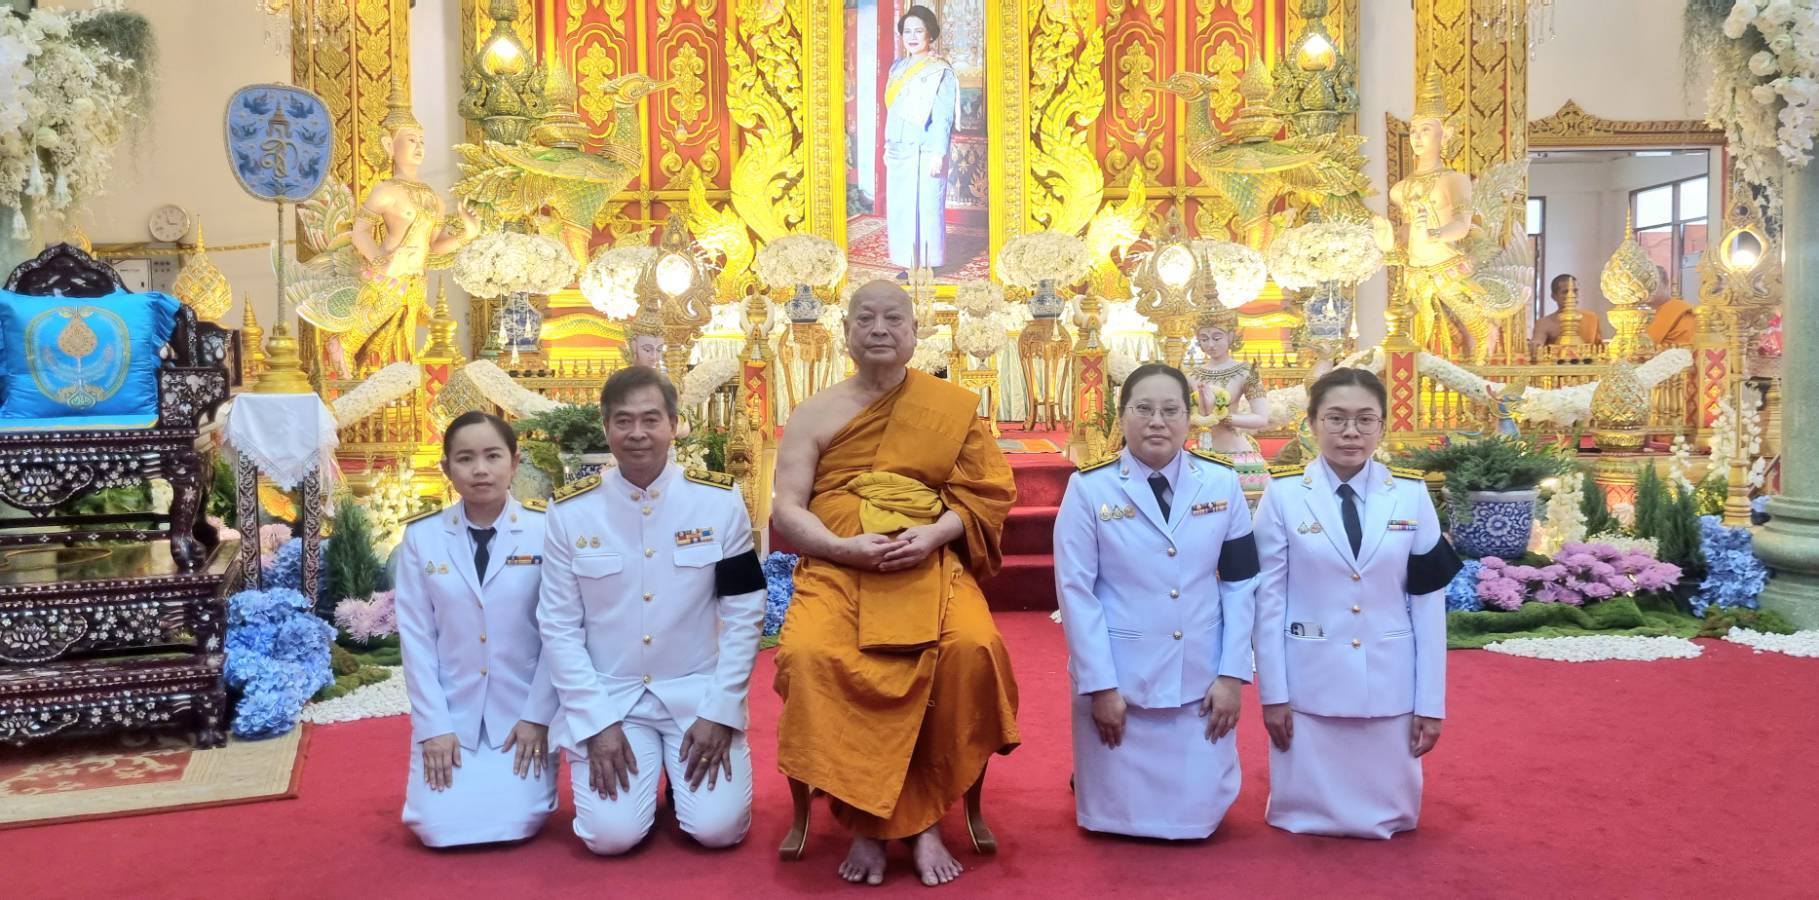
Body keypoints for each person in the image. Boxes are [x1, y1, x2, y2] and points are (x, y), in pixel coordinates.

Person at [772, 279, 1020, 887]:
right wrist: (840, 548)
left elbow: (989, 494)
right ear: (846, 331)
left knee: (971, 648)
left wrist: (937, 534)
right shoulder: (815, 412)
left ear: (915, 332)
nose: (879, 329)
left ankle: (922, 814)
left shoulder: (951, 405)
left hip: (928, 563)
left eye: (893, 319)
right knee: (809, 654)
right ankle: (871, 816)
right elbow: (787, 509)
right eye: (866, 318)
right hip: (838, 570)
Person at [538, 367, 767, 855]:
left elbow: (746, 611)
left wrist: (722, 709)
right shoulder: (570, 512)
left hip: (696, 696)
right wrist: (595, 723)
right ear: (606, 429)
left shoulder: (720, 502)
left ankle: (680, 786)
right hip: (613, 700)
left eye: (650, 419)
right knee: (609, 838)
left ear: (674, 424)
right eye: (623, 421)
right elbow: (558, 627)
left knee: (718, 831)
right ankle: (647, 775)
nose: (637, 434)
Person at [1251, 368, 1462, 839]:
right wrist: (1274, 695)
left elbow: (1428, 606)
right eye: (1336, 418)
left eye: (1365, 419)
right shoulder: (1283, 495)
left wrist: (1431, 702)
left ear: (1383, 426)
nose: (1351, 432)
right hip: (1310, 677)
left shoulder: (1410, 495)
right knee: (1302, 807)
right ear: (1311, 424)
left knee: (1390, 807)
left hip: (1390, 677)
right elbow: (1268, 603)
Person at [1053, 363, 1260, 840]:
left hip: (1200, 674)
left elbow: (1241, 582)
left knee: (1199, 818)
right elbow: (1077, 594)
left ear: (1189, 419)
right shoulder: (1089, 489)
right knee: (1117, 816)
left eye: (1171, 409)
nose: (1157, 421)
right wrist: (1100, 686)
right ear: (1121, 416)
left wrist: (1232, 673)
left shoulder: (1222, 484)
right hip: (1123, 677)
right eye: (1142, 409)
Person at [393, 411, 557, 848]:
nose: (480, 470)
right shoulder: (422, 539)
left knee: (518, 821)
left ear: (515, 462)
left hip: (519, 715)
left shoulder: (546, 531)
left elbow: (558, 636)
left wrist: (537, 717)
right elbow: (417, 638)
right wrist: (433, 726)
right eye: (465, 459)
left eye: (492, 456)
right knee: (435, 829)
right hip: (454, 713)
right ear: (446, 468)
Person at [883, 6, 956, 272]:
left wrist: (938, 152)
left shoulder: (939, 70)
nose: (912, 37)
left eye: (919, 31)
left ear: (931, 35)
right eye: (907, 31)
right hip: (900, 148)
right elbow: (893, 112)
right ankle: (908, 261)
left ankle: (928, 263)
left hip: (926, 150)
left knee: (926, 207)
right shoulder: (898, 68)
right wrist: (887, 145)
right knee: (902, 207)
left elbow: (943, 116)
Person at [1187, 309, 1271, 492]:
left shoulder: (1245, 372)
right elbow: (1184, 419)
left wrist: (1226, 418)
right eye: (1204, 338)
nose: (1210, 344)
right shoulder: (1192, 376)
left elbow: (1261, 418)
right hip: (1202, 453)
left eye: (1217, 338)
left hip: (1237, 454)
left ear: (1231, 336)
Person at [1530, 274, 1602, 347]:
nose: (1572, 295)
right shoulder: (1544, 323)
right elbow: (1537, 344)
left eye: (1575, 290)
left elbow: (1599, 347)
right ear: (1554, 296)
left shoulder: (1591, 318)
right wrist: (1535, 345)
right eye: (1565, 292)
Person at [1645, 266, 1696, 349]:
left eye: (1652, 285)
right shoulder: (1637, 315)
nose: (1647, 290)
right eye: (1644, 285)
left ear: (1665, 284)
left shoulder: (1681, 311)